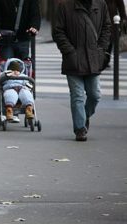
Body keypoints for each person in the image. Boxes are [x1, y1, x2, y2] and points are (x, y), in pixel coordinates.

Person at [52, 0, 111, 141]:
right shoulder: (65, 5)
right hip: (73, 60)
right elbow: (58, 31)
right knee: (77, 95)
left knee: (95, 95)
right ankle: (80, 128)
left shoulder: (100, 4)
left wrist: (101, 50)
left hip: (93, 58)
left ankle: (83, 117)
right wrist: (70, 52)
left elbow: (106, 27)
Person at [104, 0, 127, 66]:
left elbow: (121, 6)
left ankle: (106, 59)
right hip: (101, 17)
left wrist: (123, 18)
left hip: (112, 20)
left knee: (110, 40)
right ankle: (104, 59)